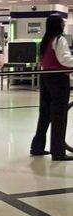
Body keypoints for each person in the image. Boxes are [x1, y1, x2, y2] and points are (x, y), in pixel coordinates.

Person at [30, 15, 73, 161]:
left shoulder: (45, 40)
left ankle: (37, 146)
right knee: (59, 115)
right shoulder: (60, 39)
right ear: (58, 25)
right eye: (62, 22)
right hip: (58, 79)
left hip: (45, 77)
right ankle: (58, 151)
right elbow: (64, 59)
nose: (63, 24)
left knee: (45, 113)